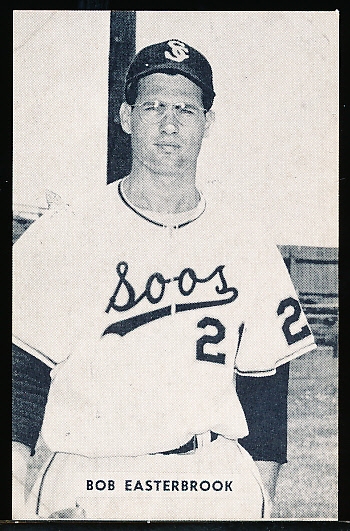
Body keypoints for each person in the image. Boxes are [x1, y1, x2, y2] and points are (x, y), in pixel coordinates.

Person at [12, 39, 317, 520]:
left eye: (186, 110)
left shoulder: (245, 242)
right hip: (93, 477)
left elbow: (265, 385)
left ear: (207, 124)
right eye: (153, 106)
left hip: (210, 475)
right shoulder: (66, 232)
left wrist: (260, 490)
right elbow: (21, 376)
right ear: (126, 117)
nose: (169, 125)